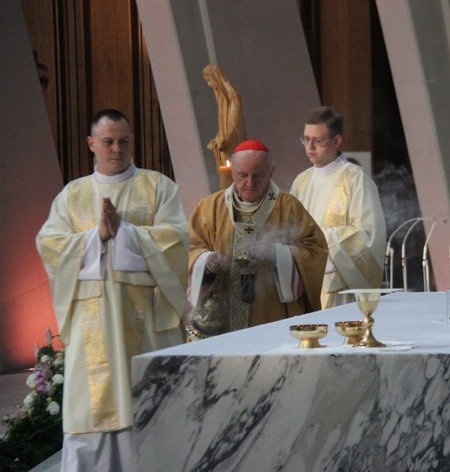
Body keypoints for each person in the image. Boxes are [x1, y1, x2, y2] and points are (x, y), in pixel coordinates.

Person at [36, 109, 190, 471]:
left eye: (123, 141)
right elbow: (50, 245)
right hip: (94, 324)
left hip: (146, 320)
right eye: (108, 142)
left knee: (149, 408)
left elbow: (177, 241)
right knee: (93, 409)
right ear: (92, 145)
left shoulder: (158, 187)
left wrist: (127, 233)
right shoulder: (73, 195)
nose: (116, 149)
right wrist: (98, 236)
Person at [187, 139, 327, 338]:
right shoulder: (210, 207)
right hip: (222, 317)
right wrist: (206, 260)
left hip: (272, 313)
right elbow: (189, 247)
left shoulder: (288, 206)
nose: (250, 183)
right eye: (242, 175)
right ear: (232, 172)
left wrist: (278, 253)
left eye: (258, 175)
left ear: (271, 172)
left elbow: (315, 250)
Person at [290, 107, 387, 308]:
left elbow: (368, 237)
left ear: (336, 141)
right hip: (305, 286)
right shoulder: (301, 181)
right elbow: (289, 229)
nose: (310, 147)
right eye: (306, 139)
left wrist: (318, 243)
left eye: (318, 140)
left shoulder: (355, 179)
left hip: (338, 290)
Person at [203, 63, 246, 170]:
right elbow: (224, 126)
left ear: (217, 78)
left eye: (209, 80)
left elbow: (233, 123)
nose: (209, 84)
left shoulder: (233, 98)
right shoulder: (222, 98)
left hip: (233, 147)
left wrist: (226, 140)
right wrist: (218, 139)